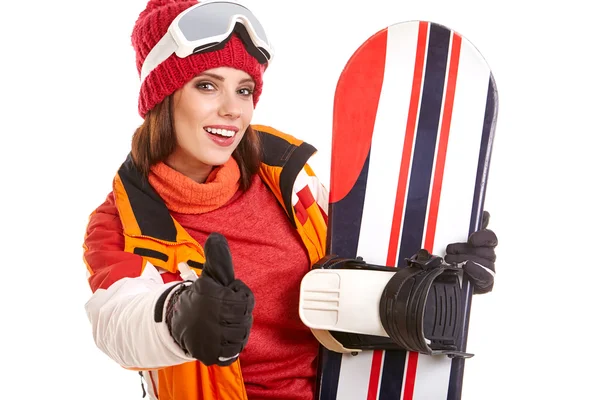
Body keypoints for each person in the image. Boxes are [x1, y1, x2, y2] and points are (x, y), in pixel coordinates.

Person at [82, 0, 499, 399]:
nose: (233, 110)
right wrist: (178, 317)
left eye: (244, 90)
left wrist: (443, 264)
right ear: (163, 99)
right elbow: (117, 320)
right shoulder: (122, 221)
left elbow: (367, 261)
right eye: (207, 85)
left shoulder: (288, 175)